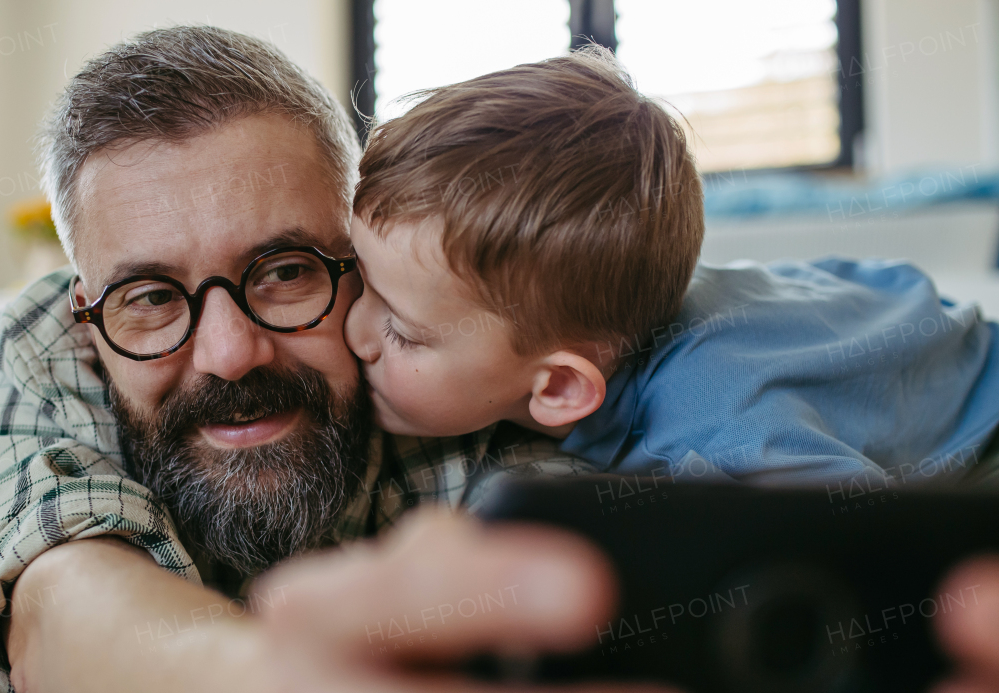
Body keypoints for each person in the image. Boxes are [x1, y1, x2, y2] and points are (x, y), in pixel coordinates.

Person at [0, 26, 704, 693]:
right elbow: (57, 602)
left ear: (362, 256)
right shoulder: (48, 342)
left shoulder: (458, 365)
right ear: (86, 308)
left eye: (286, 270)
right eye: (151, 295)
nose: (230, 355)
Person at [343, 47, 999, 486]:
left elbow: (873, 551)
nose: (354, 332)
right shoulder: (614, 298)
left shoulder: (718, 435)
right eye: (356, 279)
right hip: (900, 314)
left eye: (402, 331)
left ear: (560, 389)